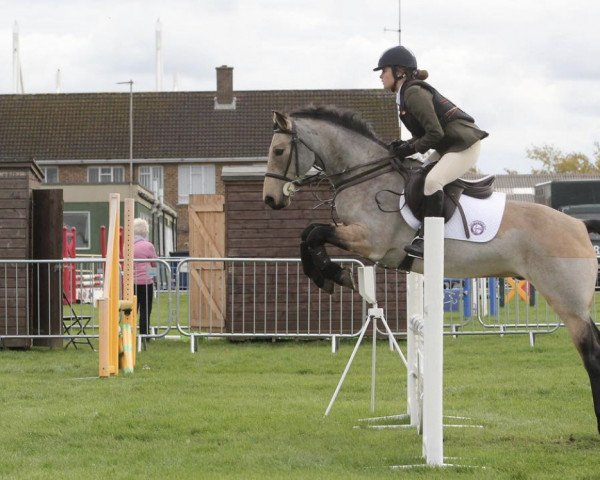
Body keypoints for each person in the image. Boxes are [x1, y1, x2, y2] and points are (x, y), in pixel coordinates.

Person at [374, 45, 488, 258]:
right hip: (448, 145)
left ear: (399, 72)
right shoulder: (406, 94)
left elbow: (434, 133)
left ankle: (431, 241)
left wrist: (410, 147)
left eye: (384, 70)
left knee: (433, 182)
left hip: (464, 145)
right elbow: (428, 134)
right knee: (417, 178)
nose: (380, 75)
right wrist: (405, 145)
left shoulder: (414, 92)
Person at [133, 218, 157, 340]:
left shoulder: (128, 246)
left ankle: (130, 334)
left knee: (132, 309)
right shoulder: (149, 246)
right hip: (146, 282)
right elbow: (154, 264)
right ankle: (144, 334)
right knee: (145, 309)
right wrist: (154, 278)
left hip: (132, 283)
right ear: (145, 231)